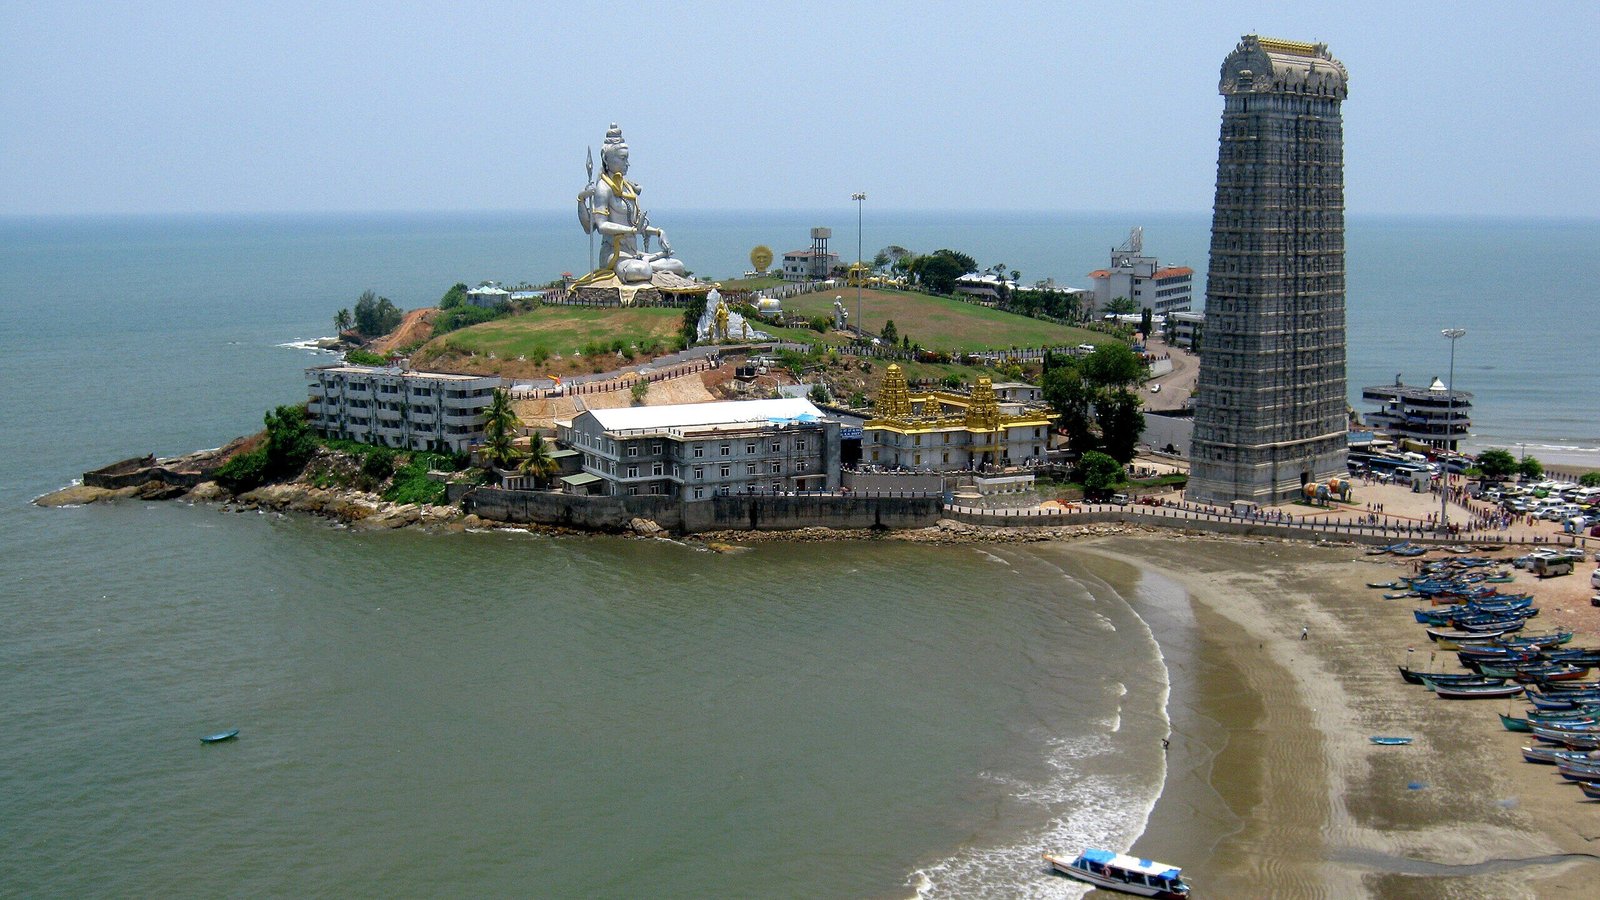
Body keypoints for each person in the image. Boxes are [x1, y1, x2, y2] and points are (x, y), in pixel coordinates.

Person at [575, 124, 687, 285]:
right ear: (606, 158)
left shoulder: (627, 186)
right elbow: (601, 226)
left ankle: (646, 262)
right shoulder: (603, 188)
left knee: (678, 266)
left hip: (634, 254)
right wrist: (633, 230)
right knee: (642, 270)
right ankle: (646, 264)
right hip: (614, 255)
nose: (627, 163)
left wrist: (658, 232)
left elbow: (636, 225)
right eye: (622, 158)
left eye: (626, 158)